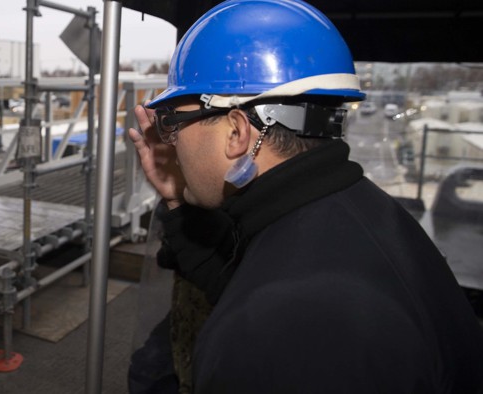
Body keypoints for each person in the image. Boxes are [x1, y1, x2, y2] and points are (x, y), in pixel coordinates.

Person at [127, 0, 483, 392]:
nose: (170, 142)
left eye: (174, 123)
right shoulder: (356, 212)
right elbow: (247, 280)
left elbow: (265, 306)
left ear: (236, 133)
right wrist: (179, 201)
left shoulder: (277, 329)